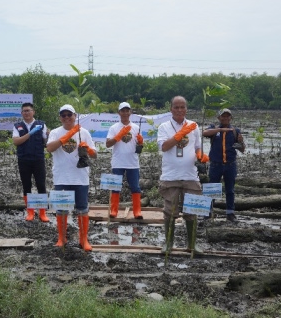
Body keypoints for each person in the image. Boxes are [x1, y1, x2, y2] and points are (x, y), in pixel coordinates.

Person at [156, 96, 208, 253]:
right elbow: (164, 147)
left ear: (186, 109)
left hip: (190, 175)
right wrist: (180, 134)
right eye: (176, 107)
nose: (179, 110)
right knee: (170, 211)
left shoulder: (194, 126)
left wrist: (201, 155)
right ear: (171, 109)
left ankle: (192, 244)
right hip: (170, 176)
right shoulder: (164, 127)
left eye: (182, 107)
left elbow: (198, 147)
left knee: (192, 211)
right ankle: (169, 243)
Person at [46, 104, 97, 251]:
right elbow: (49, 148)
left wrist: (87, 148)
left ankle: (83, 239)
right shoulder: (55, 132)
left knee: (82, 209)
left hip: (80, 178)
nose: (67, 118)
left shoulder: (84, 132)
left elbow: (95, 155)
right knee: (61, 209)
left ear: (75, 116)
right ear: (60, 117)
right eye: (64, 115)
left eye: (70, 115)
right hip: (61, 177)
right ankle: (62, 238)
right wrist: (67, 136)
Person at [202, 108, 245, 223]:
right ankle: (208, 212)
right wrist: (220, 129)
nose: (225, 118)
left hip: (230, 165)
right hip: (216, 165)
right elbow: (204, 133)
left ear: (231, 118)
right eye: (223, 116)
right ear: (219, 118)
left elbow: (242, 150)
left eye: (227, 116)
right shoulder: (214, 129)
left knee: (230, 190)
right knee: (212, 189)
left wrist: (241, 142)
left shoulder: (235, 131)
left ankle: (230, 213)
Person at [105, 102, 144, 219]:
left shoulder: (136, 127)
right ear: (119, 113)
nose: (125, 113)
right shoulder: (114, 128)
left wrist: (141, 142)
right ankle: (114, 210)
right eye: (123, 111)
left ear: (130, 112)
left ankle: (137, 211)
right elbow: (107, 144)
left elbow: (140, 146)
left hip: (133, 162)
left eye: (127, 110)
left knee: (135, 187)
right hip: (118, 162)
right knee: (116, 186)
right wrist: (117, 137)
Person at [12, 102, 49, 222]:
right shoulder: (17, 126)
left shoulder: (41, 125)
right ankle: (30, 212)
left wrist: (49, 134)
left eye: (28, 110)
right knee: (26, 185)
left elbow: (47, 141)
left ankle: (42, 212)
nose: (26, 113)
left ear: (34, 112)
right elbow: (16, 141)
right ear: (21, 113)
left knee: (41, 185)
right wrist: (29, 134)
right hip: (24, 160)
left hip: (38, 159)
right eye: (24, 111)